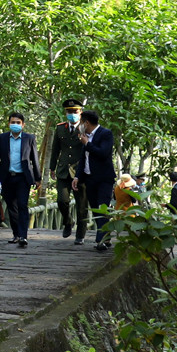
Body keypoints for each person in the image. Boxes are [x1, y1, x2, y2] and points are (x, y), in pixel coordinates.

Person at [0, 112, 40, 247]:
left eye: (18, 122)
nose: (15, 125)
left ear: (23, 124)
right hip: (7, 177)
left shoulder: (29, 138)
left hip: (23, 178)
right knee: (11, 207)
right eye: (13, 122)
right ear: (9, 124)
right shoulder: (2, 138)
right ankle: (16, 234)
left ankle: (23, 236)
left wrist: (37, 178)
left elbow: (34, 159)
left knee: (22, 205)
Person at [78, 109, 117, 249]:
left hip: (104, 179)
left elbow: (103, 153)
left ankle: (100, 240)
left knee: (102, 207)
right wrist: (77, 176)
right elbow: (83, 159)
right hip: (90, 179)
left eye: (81, 122)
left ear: (86, 122)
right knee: (95, 209)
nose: (80, 125)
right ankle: (105, 238)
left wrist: (87, 144)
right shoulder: (85, 136)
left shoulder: (105, 134)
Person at [51, 99, 88, 242]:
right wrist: (51, 167)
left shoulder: (85, 128)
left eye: (75, 111)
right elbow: (55, 149)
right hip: (63, 171)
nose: (72, 114)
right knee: (62, 200)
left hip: (81, 171)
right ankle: (68, 222)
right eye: (69, 112)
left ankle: (80, 235)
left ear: (80, 113)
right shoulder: (60, 128)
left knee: (81, 206)